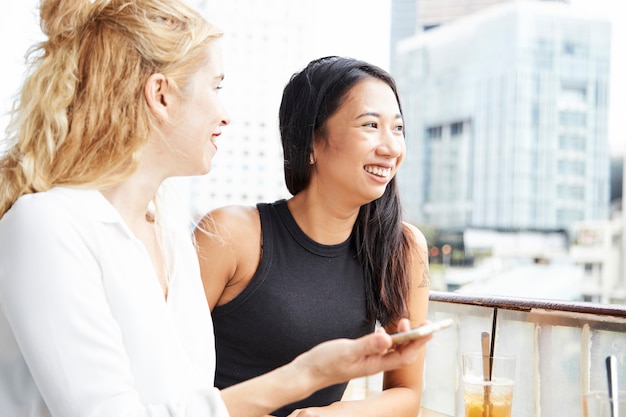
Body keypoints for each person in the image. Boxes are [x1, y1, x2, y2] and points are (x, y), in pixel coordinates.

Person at [0, 2, 431, 417]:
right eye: (216, 86)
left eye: (397, 127)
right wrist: (308, 374)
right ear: (161, 96)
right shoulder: (45, 225)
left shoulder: (167, 237)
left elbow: (188, 399)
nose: (226, 115)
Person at [194, 56, 431, 417]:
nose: (391, 147)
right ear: (311, 142)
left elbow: (406, 394)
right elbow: (162, 380)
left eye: (397, 128)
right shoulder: (231, 234)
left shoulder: (402, 249)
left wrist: (329, 415)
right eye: (370, 125)